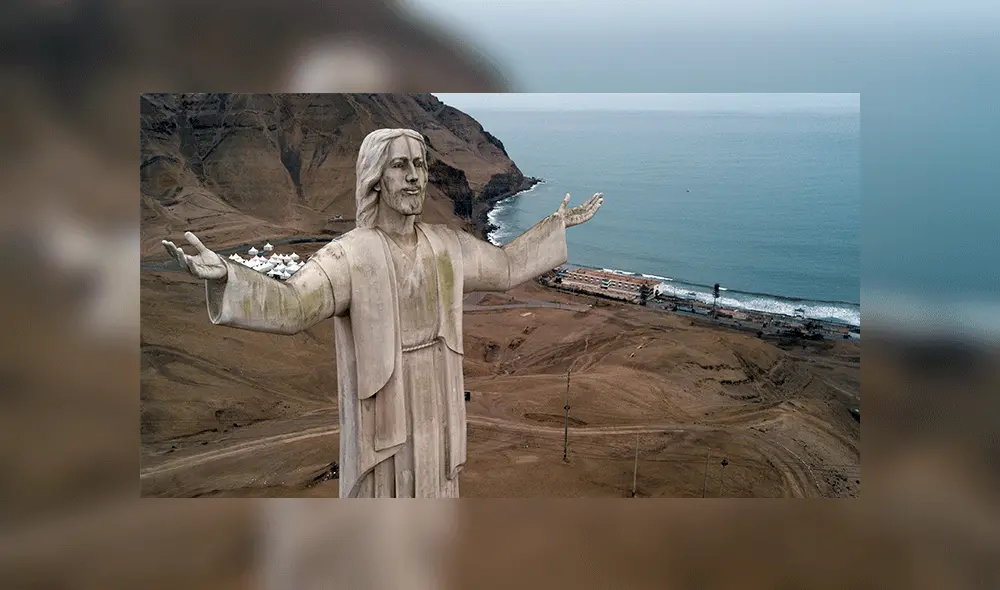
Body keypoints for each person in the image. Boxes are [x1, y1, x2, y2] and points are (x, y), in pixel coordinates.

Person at [163, 128, 603, 497]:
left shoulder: (447, 244)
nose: (414, 177)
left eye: (420, 165)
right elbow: (294, 305)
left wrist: (556, 225)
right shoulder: (350, 255)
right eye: (400, 165)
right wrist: (229, 276)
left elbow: (505, 268)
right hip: (387, 399)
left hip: (438, 391)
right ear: (376, 179)